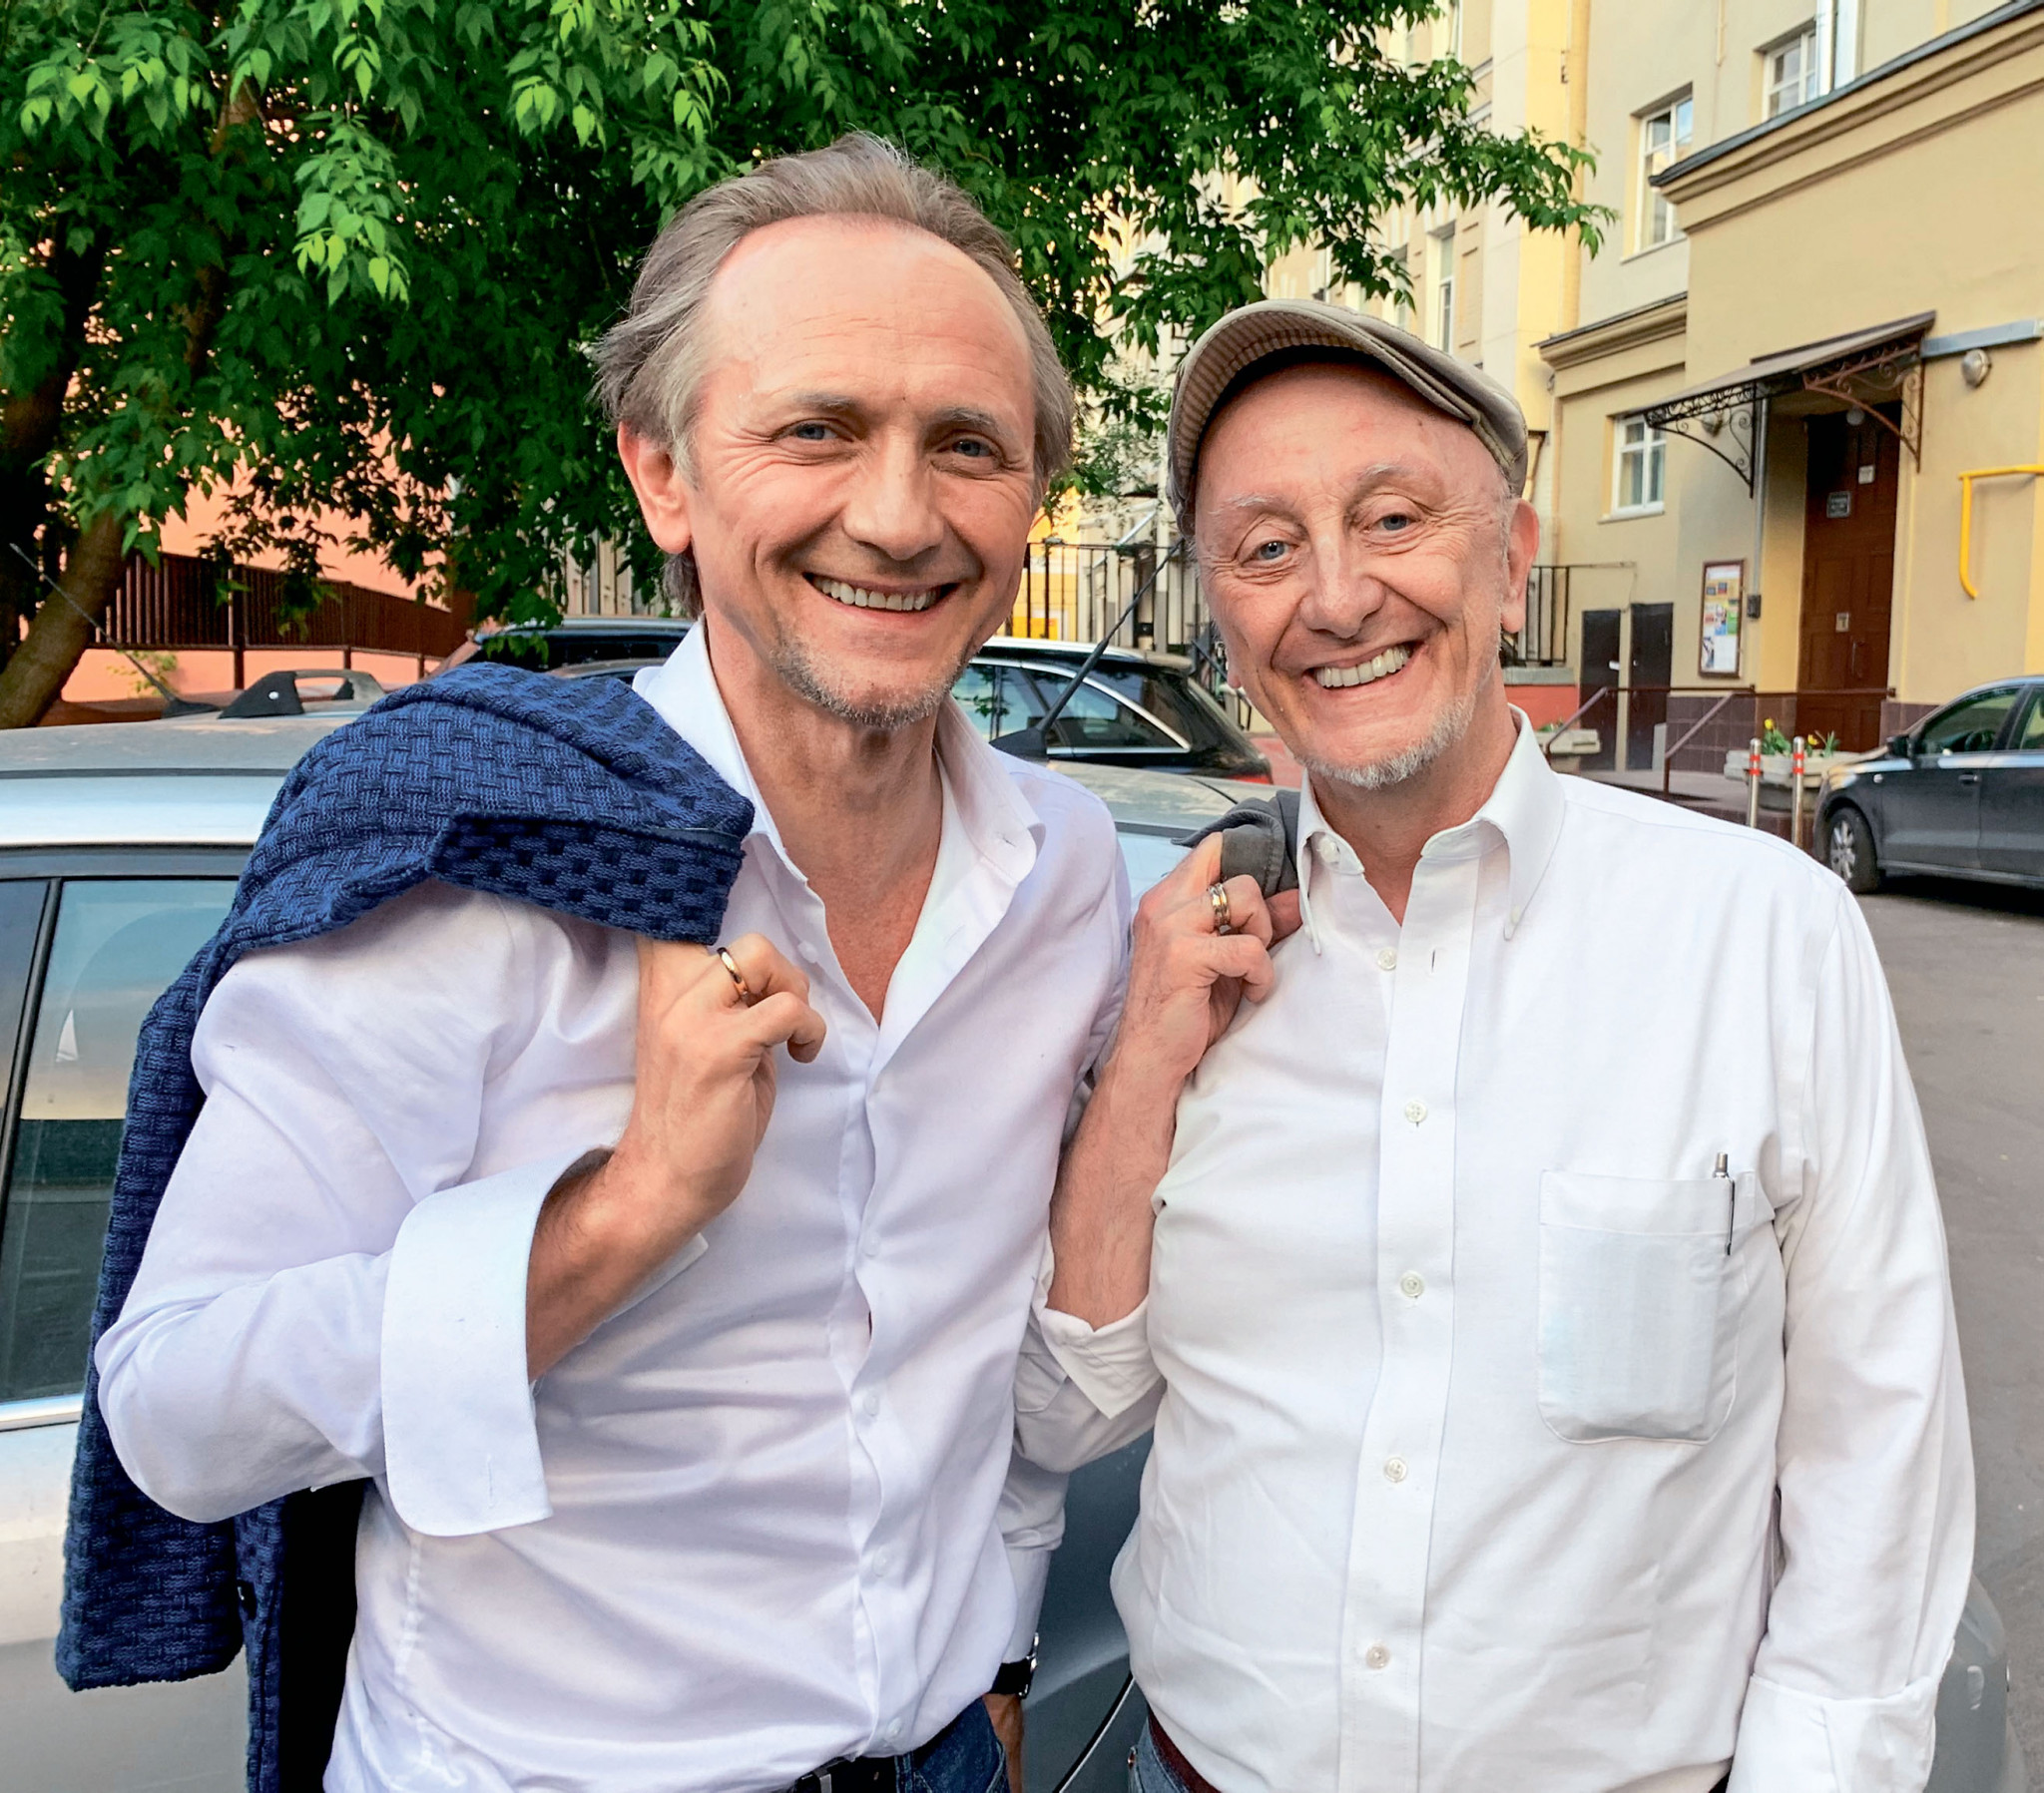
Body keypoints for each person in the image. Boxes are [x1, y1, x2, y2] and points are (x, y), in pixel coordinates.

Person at [93, 135, 1125, 1793]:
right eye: (816, 429)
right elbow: (175, 1409)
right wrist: (628, 1209)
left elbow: (990, 1368)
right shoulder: (481, 864)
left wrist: (998, 1642)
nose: (897, 514)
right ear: (664, 475)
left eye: (968, 445)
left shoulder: (1064, 874)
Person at [1016, 300, 1973, 1793]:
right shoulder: (1186, 965)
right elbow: (1070, 1410)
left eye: (1393, 518)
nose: (1337, 597)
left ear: (1513, 559)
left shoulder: (1765, 935)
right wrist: (1143, 1063)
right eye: (1266, 547)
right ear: (1223, 617)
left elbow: (1877, 1460)